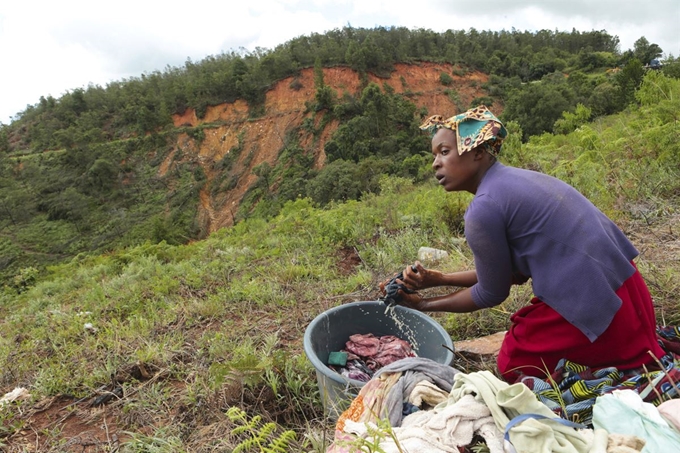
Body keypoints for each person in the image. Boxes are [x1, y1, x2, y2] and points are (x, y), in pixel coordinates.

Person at [381, 105, 666, 383]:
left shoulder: (484, 207)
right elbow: (507, 275)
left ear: (478, 152)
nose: (435, 163)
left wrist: (423, 305)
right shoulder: (512, 181)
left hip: (598, 307)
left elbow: (492, 293)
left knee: (512, 363)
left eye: (444, 152)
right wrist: (436, 279)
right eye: (434, 155)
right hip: (625, 289)